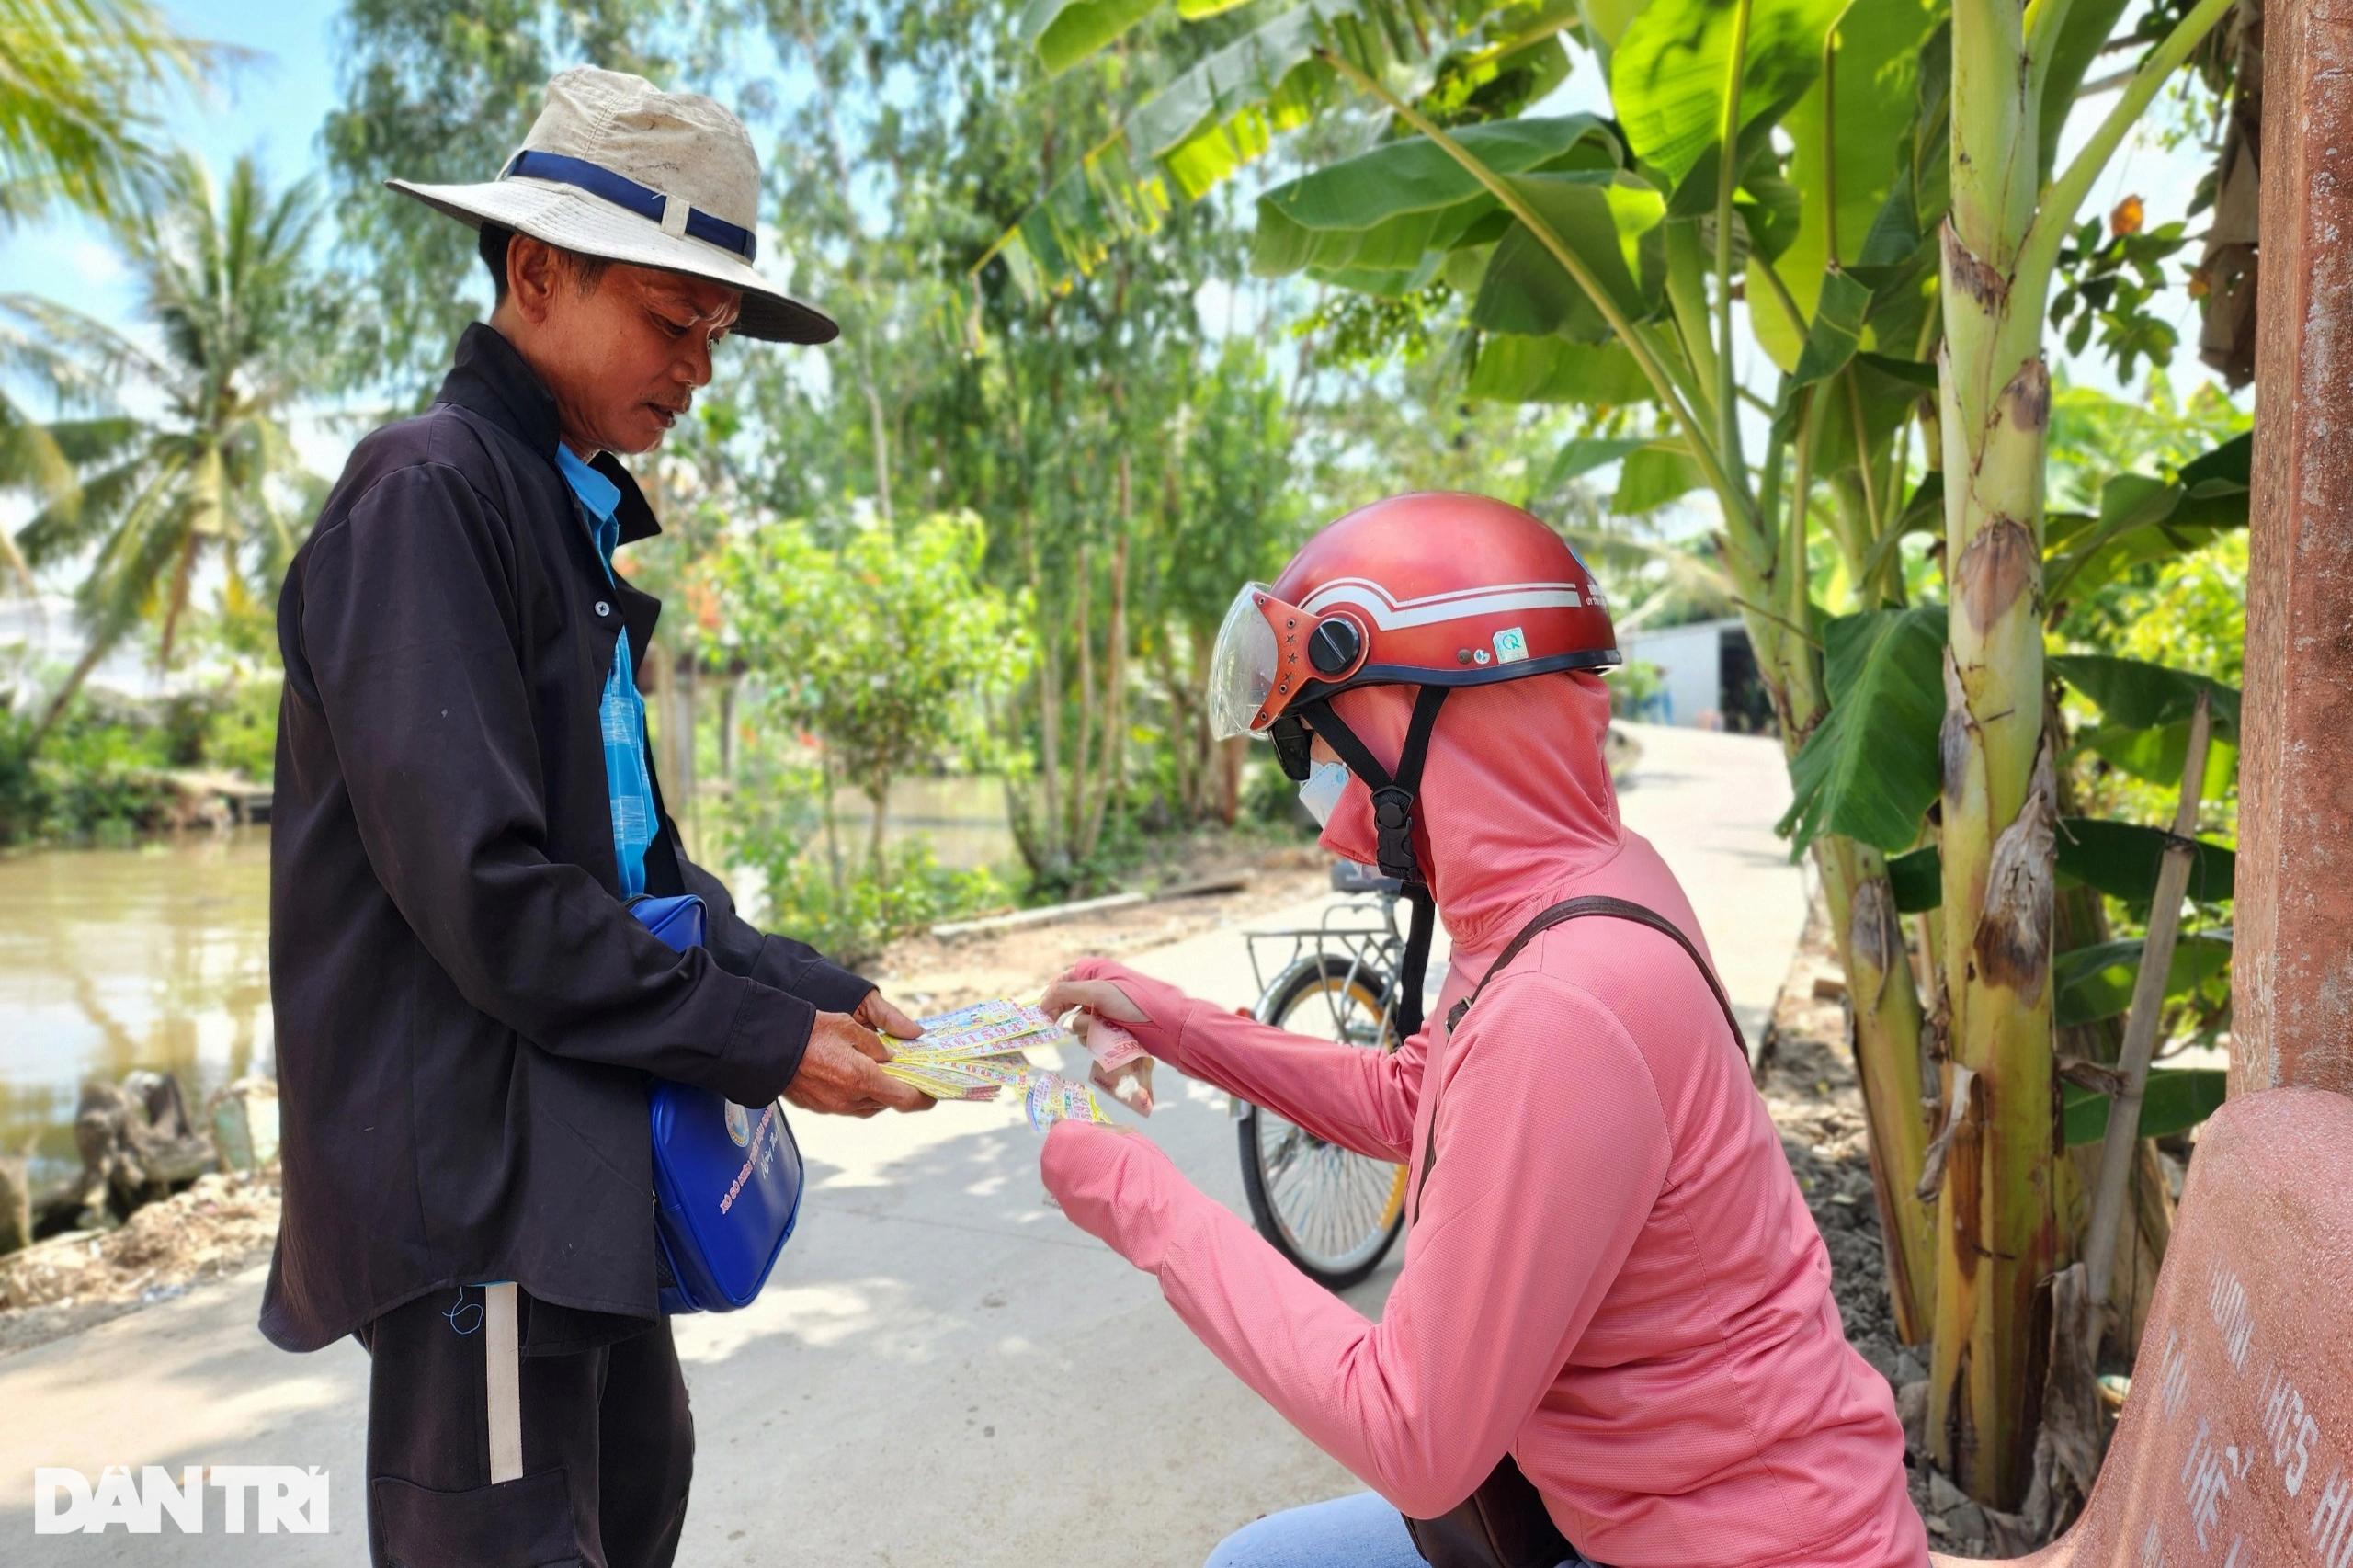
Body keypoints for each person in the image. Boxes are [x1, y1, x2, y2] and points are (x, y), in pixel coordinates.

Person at [265, 67, 931, 1568]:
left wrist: (826, 992)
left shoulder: (562, 508)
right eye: (671, 320)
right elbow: (493, 894)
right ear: (537, 270)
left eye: (717, 332)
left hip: (579, 1167)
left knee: (637, 1492)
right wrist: (765, 1047)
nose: (701, 366)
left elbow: (633, 872)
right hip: (478, 1205)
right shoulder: (425, 497)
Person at [1040, 494, 1926, 1568]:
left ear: (1416, 717)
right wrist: (1168, 1019)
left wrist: (1133, 1197)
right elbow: (1414, 1099)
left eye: (1317, 741)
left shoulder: (1564, 998)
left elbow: (1413, 1434)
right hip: (1642, 1507)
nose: (1317, 787)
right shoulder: (1570, 885)